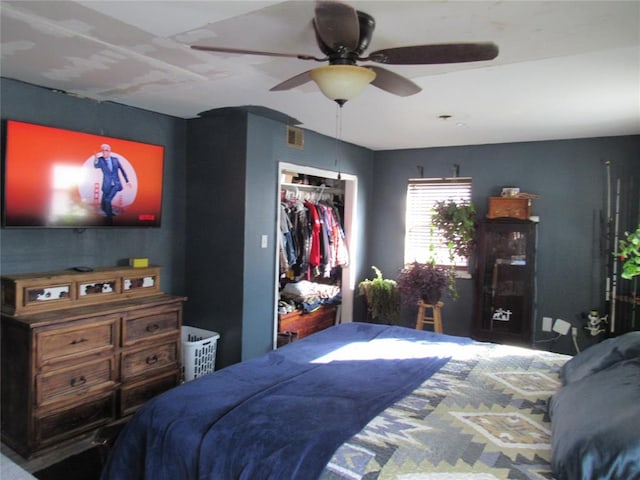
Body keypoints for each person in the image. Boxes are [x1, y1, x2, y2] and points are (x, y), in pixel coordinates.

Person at [93, 143, 131, 217]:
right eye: (103, 150)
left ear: (109, 151)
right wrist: (95, 159)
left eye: (106, 150)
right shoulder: (100, 160)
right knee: (104, 200)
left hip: (116, 184)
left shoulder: (115, 160)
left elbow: (122, 170)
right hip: (107, 184)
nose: (104, 152)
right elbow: (96, 166)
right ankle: (104, 210)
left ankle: (109, 216)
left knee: (107, 200)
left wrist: (127, 181)